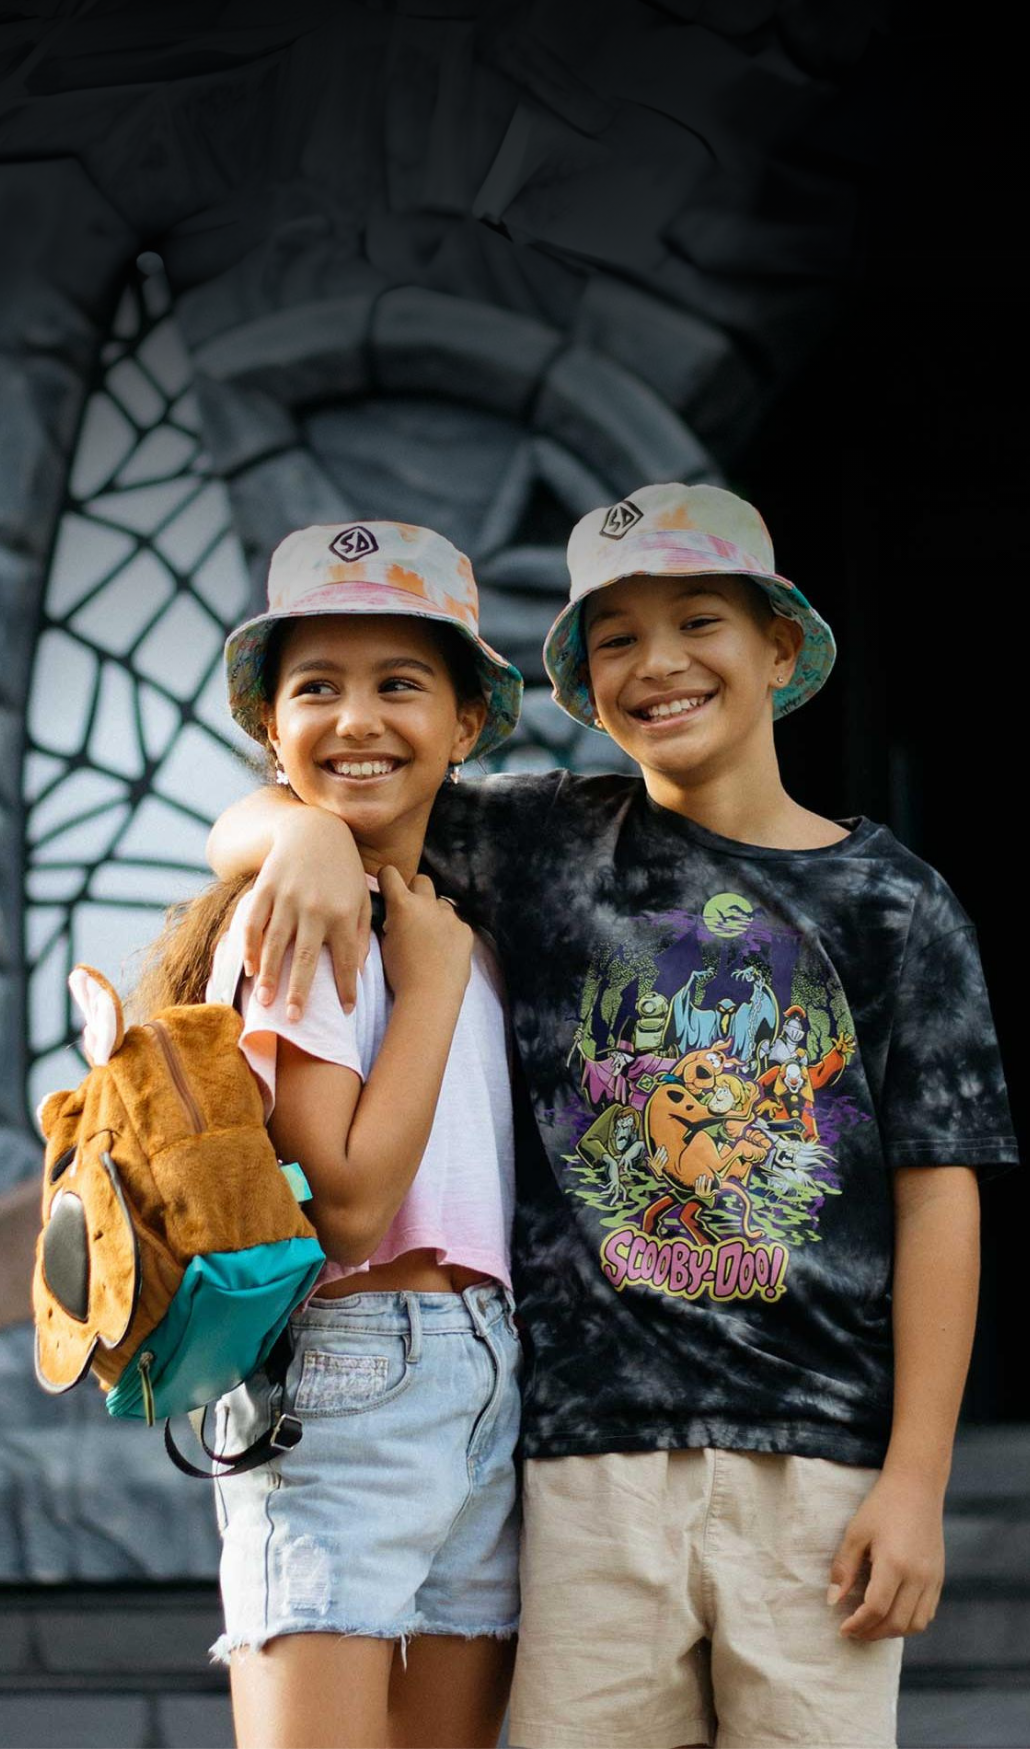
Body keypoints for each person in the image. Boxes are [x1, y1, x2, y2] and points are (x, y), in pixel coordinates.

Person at [209, 482, 1018, 1749]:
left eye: (700, 619)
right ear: (585, 684)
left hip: (819, 1465)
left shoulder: (896, 904)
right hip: (579, 1467)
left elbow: (938, 1197)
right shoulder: (536, 845)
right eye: (616, 639)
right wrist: (294, 840)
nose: (660, 664)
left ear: (780, 648)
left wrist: (918, 1483)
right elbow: (355, 787)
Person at [136, 519, 525, 1749]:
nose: (357, 719)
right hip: (352, 1368)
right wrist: (436, 979)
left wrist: (444, 960)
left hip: (486, 1378)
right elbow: (348, 1204)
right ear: (271, 732)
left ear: (466, 725)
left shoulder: (442, 925)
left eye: (400, 685)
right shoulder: (309, 921)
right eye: (319, 688)